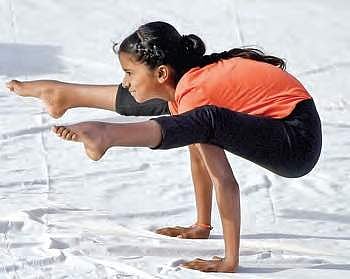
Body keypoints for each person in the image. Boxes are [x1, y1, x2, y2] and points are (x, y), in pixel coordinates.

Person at [6, 21, 322, 273]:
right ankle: (65, 95)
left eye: (128, 73)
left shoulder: (195, 93)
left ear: (161, 72)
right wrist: (202, 225)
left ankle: (108, 134)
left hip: (296, 143)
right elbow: (198, 157)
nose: (125, 81)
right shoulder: (187, 83)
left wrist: (229, 262)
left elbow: (225, 182)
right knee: (171, 106)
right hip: (288, 123)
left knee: (198, 116)